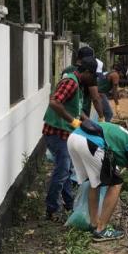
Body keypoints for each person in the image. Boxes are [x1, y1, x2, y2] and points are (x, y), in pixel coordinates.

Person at [67, 120, 128, 242]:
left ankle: (94, 224)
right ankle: (101, 230)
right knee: (116, 183)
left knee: (94, 182)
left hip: (74, 137)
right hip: (90, 142)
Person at [43, 56, 100, 221]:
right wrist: (72, 120)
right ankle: (51, 209)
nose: (93, 80)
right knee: (62, 172)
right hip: (56, 133)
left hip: (64, 134)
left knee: (66, 170)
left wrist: (87, 122)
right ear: (87, 72)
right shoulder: (71, 82)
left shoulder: (78, 84)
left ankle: (69, 205)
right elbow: (54, 102)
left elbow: (76, 108)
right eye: (93, 76)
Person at [62, 46, 104, 119]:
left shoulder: (66, 70)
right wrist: (101, 117)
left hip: (66, 113)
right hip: (82, 112)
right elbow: (95, 98)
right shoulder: (88, 73)